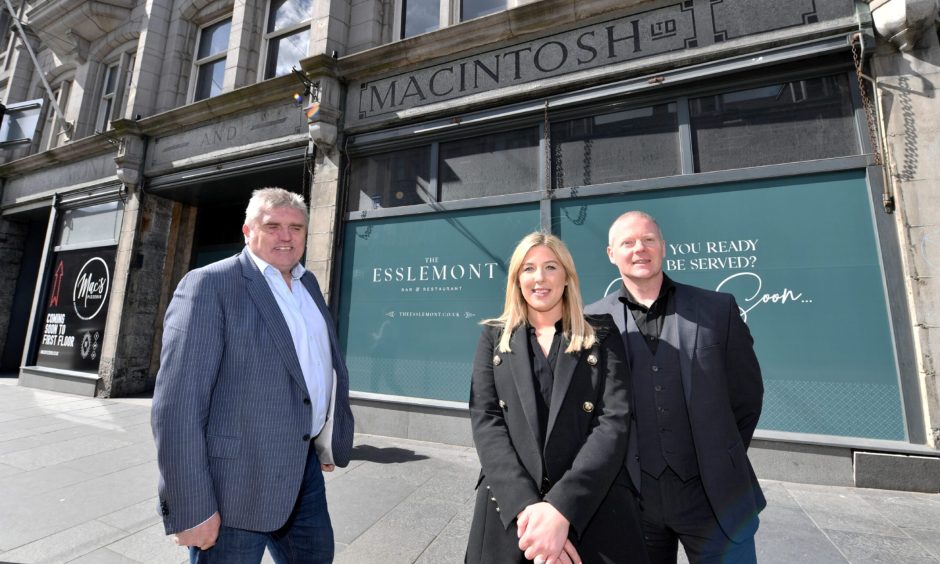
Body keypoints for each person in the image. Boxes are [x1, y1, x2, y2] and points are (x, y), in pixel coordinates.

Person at [151, 187, 354, 564]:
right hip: (234, 486)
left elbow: (319, 367)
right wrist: (192, 507)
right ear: (247, 231)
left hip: (302, 469)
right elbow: (177, 406)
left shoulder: (308, 285)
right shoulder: (210, 285)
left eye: (296, 227)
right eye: (273, 225)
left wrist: (325, 438)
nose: (286, 235)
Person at [586, 211, 765, 564]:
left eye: (648, 240)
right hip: (631, 499)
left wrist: (719, 454)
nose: (640, 249)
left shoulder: (718, 309)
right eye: (628, 242)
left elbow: (747, 396)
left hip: (714, 497)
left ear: (663, 247)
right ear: (611, 253)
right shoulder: (591, 321)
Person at [466, 232, 649, 564]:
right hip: (509, 508)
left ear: (567, 276)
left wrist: (562, 510)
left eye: (550, 267)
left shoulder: (602, 333)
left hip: (592, 506)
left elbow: (614, 422)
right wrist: (529, 511)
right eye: (529, 268)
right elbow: (486, 421)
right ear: (516, 279)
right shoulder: (493, 337)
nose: (540, 278)